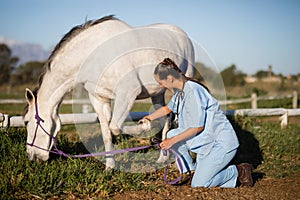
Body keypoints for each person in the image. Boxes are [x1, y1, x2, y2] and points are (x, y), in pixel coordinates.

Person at [140, 58, 253, 188]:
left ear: (170, 78)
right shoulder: (180, 92)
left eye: (161, 82)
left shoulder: (193, 91)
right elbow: (168, 109)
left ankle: (239, 171)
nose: (160, 86)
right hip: (206, 142)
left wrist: (171, 142)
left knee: (199, 185)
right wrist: (148, 117)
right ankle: (190, 172)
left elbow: (198, 127)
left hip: (220, 144)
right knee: (172, 134)